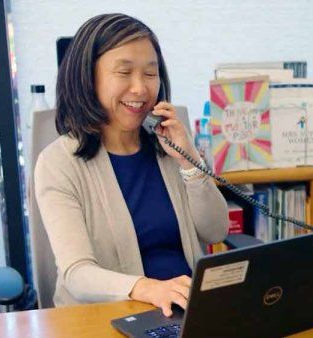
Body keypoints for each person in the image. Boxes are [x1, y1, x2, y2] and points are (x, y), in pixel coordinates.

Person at [34, 13, 229, 317]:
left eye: (150, 74)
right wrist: (146, 287)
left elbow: (216, 230)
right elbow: (77, 272)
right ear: (88, 78)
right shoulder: (58, 163)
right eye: (124, 72)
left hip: (187, 312)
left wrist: (188, 159)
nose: (140, 88)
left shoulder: (167, 145)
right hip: (109, 319)